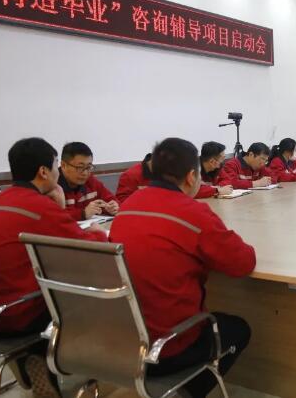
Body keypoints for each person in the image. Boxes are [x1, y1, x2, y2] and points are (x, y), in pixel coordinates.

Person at [109, 138, 255, 398]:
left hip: (123, 341)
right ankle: (184, 392)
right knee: (239, 329)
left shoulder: (128, 206)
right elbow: (243, 263)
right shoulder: (193, 212)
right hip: (170, 346)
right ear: (191, 176)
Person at [0, 137, 107, 398]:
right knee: (97, 297)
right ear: (44, 171)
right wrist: (99, 232)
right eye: (56, 165)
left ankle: (30, 358)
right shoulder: (37, 206)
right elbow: (87, 248)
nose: (58, 171)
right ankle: (89, 371)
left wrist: (58, 208)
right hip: (20, 312)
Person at [59, 142, 119, 221]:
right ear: (63, 165)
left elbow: (112, 200)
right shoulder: (52, 185)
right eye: (80, 167)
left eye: (88, 167)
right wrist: (83, 213)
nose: (85, 173)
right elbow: (53, 216)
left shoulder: (91, 181)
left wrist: (113, 208)